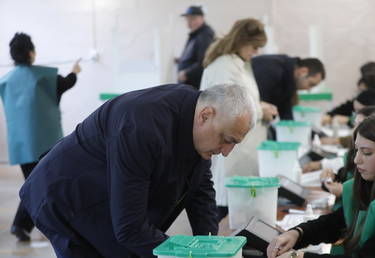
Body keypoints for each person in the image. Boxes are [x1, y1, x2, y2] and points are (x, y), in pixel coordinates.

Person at [19, 84, 256, 257]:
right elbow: (129, 228)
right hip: (65, 196)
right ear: (206, 115)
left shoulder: (198, 123)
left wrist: (209, 247)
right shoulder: (141, 126)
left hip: (105, 196)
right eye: (227, 140)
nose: (226, 152)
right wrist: (183, 254)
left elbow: (200, 189)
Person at [268, 112, 375, 258]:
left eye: (367, 153)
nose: (357, 159)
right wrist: (297, 233)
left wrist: (298, 256)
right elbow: (334, 223)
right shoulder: (370, 185)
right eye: (357, 150)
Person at [0, 32, 81, 242]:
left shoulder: (6, 81)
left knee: (35, 185)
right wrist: (75, 71)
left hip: (19, 145)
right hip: (43, 144)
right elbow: (66, 83)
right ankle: (22, 224)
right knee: (39, 186)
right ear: (30, 53)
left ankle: (24, 225)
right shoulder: (44, 77)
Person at [200, 18, 278, 221]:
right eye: (254, 47)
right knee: (224, 209)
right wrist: (260, 111)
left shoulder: (239, 64)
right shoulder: (223, 66)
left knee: (238, 209)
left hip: (244, 149)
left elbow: (245, 99)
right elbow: (227, 109)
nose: (256, 52)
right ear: (242, 41)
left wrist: (260, 107)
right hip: (231, 150)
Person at [322, 61, 375, 125]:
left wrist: (349, 120)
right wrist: (331, 114)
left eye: (364, 78)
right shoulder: (367, 96)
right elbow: (349, 106)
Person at [252, 55, 326, 120]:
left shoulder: (288, 82)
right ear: (303, 71)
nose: (308, 90)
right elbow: (254, 104)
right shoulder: (272, 69)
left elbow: (287, 118)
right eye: (311, 84)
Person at [177, 6, 215, 89]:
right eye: (187, 19)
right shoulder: (196, 34)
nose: (189, 22)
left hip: (195, 85)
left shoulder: (204, 35)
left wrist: (186, 73)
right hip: (189, 84)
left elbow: (204, 61)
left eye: (193, 19)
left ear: (202, 18)